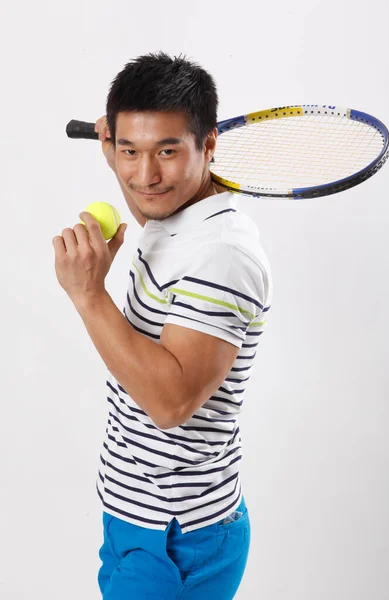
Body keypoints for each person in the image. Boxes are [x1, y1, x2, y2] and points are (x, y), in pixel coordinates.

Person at [94, 52, 273, 599]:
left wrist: (87, 296)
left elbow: (170, 404)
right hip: (142, 516)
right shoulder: (185, 215)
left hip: (174, 537)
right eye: (131, 151)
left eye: (166, 151)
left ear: (209, 145)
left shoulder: (222, 255)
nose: (144, 175)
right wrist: (114, 154)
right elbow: (152, 205)